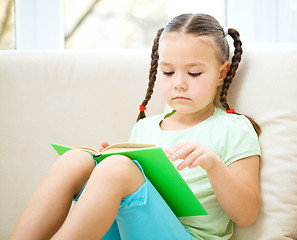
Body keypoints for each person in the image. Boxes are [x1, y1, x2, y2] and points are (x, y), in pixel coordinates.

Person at [10, 13, 261, 240]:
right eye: (168, 72)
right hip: (132, 230)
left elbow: (247, 215)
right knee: (77, 160)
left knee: (118, 168)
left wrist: (213, 165)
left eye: (194, 73)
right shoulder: (145, 128)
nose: (179, 84)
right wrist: (106, 166)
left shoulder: (234, 128)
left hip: (189, 236)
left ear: (221, 74)